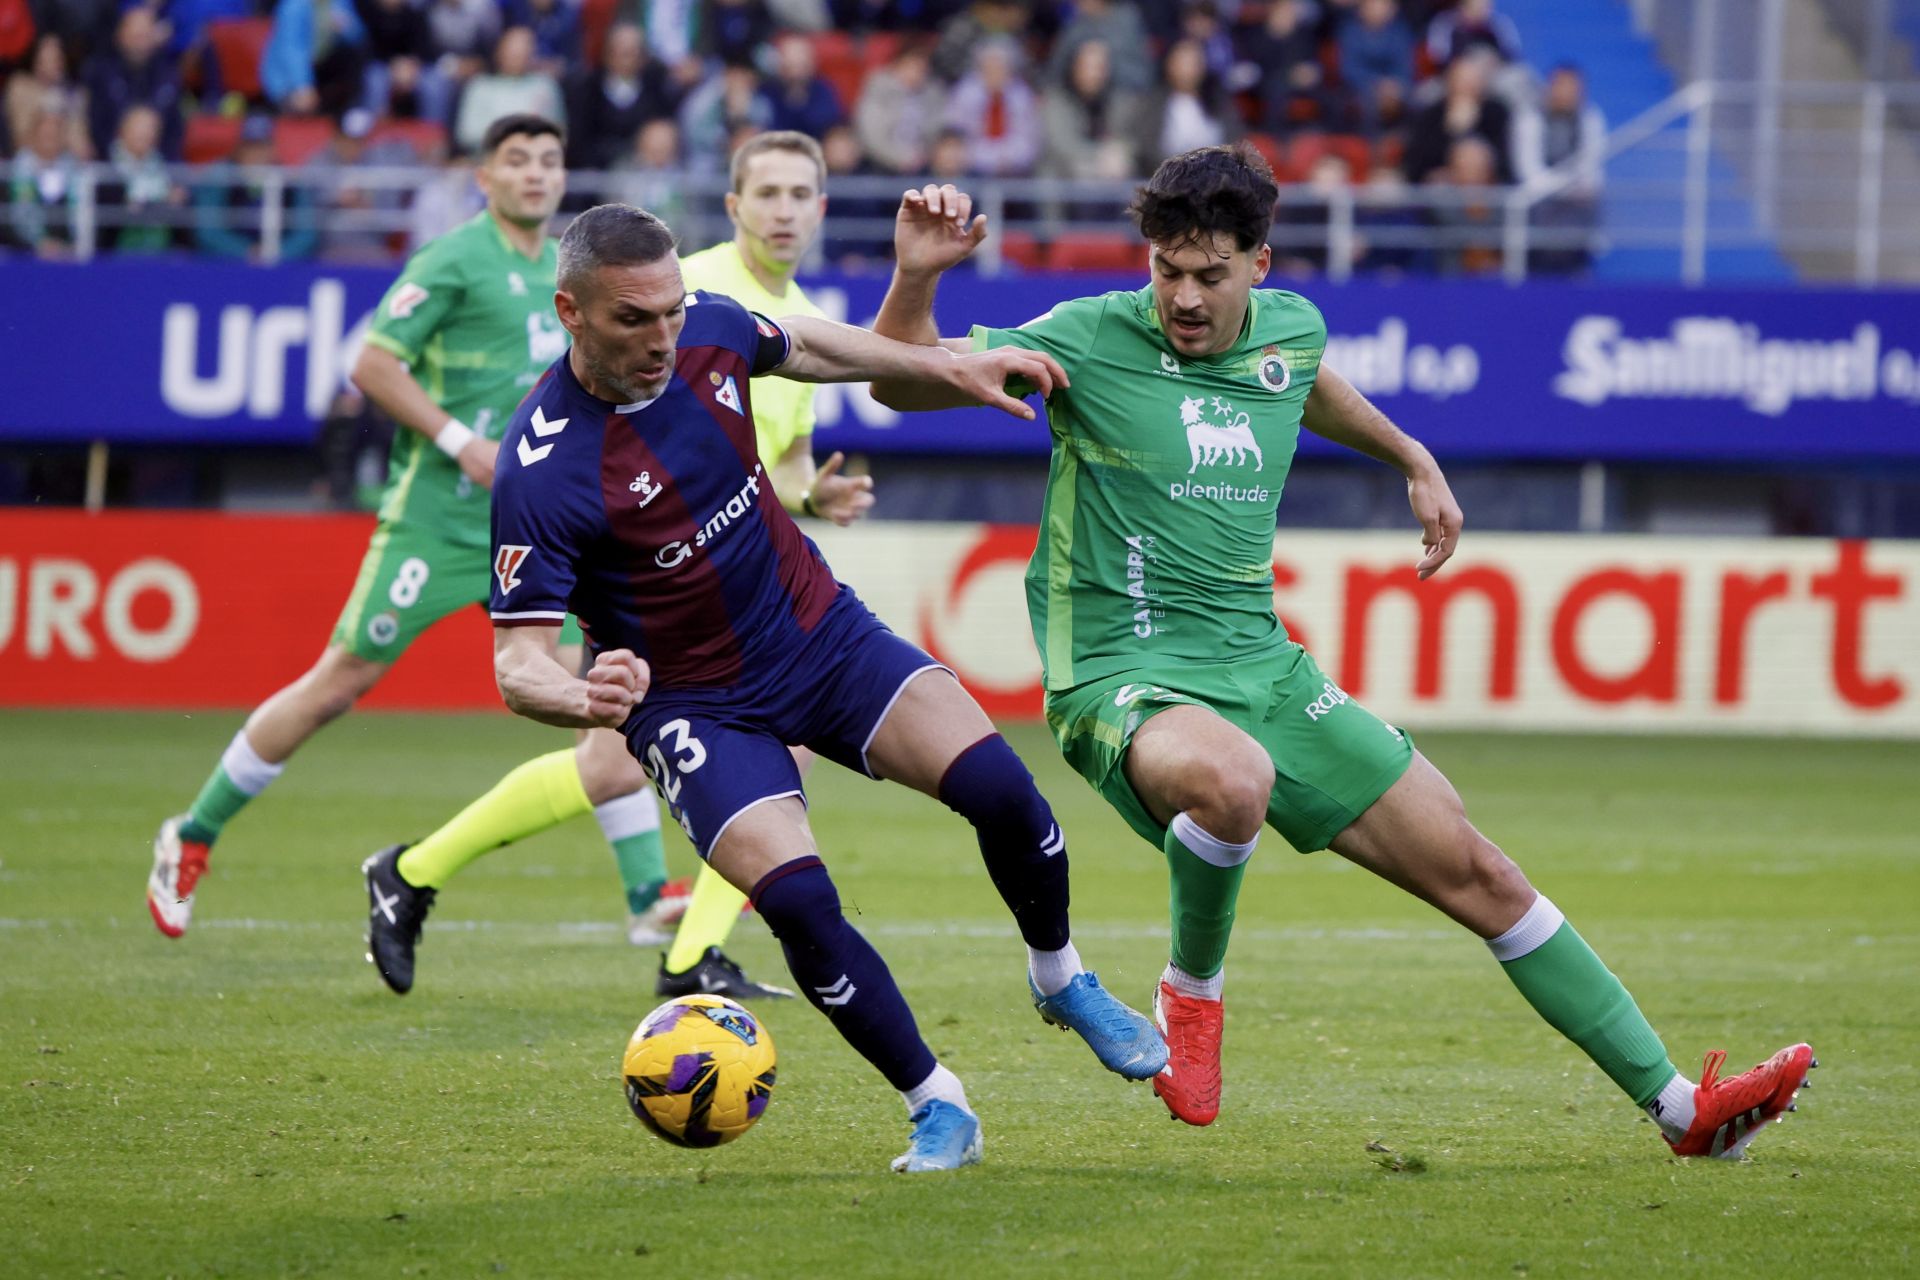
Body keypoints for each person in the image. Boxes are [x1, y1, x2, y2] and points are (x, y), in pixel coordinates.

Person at [865, 146, 1816, 1159]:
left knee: (1482, 871)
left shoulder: (1289, 332)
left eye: (1209, 276)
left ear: (1259, 265)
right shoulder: (1086, 338)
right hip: (1123, 670)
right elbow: (901, 386)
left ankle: (1687, 1113)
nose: (1184, 297)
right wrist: (917, 277)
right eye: (1166, 271)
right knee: (1233, 781)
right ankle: (1192, 994)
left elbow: (1305, 387)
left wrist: (1413, 456)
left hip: (1265, 668)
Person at [366, 200, 1168, 1173]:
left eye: (670, 311)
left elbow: (812, 348)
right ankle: (936, 1100)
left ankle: (1061, 975)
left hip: (818, 632)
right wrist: (584, 699)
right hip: (697, 703)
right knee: (796, 898)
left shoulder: (705, 323)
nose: (664, 336)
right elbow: (518, 661)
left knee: (1005, 791)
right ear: (571, 312)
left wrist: (946, 363)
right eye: (634, 319)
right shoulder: (543, 470)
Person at [370, 131, 870, 1002]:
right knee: (707, 762)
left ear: (821, 209)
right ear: (734, 207)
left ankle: (677, 951)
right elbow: (602, 410)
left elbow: (773, 462)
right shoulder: (688, 291)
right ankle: (420, 873)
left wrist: (810, 494)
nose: (784, 211)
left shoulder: (794, 310)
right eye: (768, 193)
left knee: (705, 763)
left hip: (728, 585)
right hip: (644, 580)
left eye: (801, 194)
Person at [146, 115, 571, 937]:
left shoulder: (563, 269)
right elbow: (371, 362)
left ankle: (648, 899)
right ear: (483, 178)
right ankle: (191, 833)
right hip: (437, 520)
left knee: (604, 686)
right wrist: (461, 441)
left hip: (532, 525)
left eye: (549, 161)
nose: (535, 174)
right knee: (340, 682)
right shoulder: (453, 257)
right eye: (516, 160)